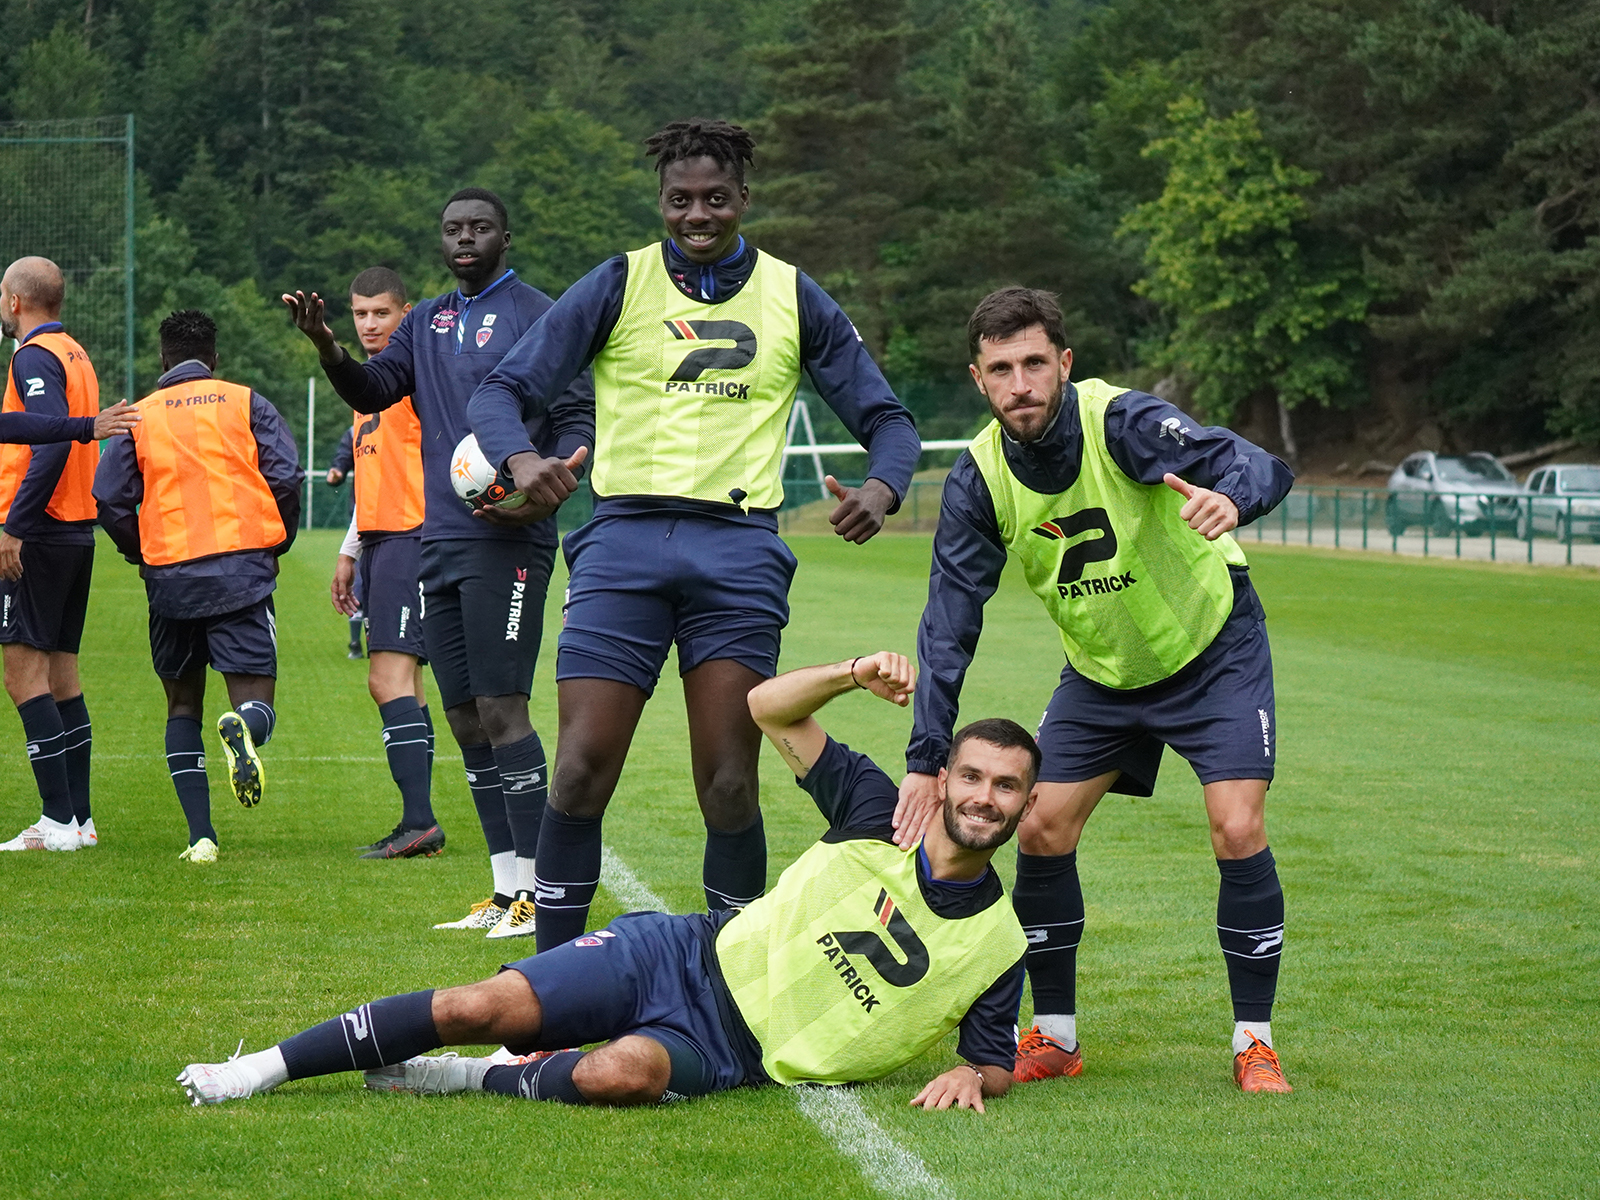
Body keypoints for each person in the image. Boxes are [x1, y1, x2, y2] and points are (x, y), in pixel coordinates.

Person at [177, 651, 1036, 1113]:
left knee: (614, 1075)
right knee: (479, 1008)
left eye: (1005, 787)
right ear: (946, 778)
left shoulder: (997, 945)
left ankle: (472, 1079)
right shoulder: (881, 810)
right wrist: (854, 673)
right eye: (972, 778)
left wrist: (976, 1077)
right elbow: (768, 706)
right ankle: (262, 1068)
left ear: (1026, 803)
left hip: (732, 1052)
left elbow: (991, 1061)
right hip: (682, 956)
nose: (983, 799)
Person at [467, 119, 922, 951]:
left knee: (729, 786)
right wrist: (522, 460)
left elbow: (889, 420)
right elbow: (500, 390)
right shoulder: (616, 283)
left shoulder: (792, 293)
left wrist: (884, 491)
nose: (698, 215)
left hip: (738, 552)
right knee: (576, 772)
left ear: (744, 199)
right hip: (622, 543)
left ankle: (725, 982)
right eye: (680, 200)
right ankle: (550, 988)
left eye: (716, 199)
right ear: (662, 203)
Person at [894, 287, 1296, 1093]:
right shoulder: (977, 478)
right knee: (1038, 825)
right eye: (1001, 369)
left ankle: (1254, 1042)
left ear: (1064, 364)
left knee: (1235, 825)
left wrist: (1233, 498)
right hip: (1103, 673)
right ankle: (1056, 1036)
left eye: (1035, 363)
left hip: (1212, 649)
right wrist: (925, 756)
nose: (1021, 384)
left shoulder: (1122, 423)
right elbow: (948, 625)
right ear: (979, 380)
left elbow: (1258, 463)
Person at [282, 188, 594, 939]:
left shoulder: (539, 314)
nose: (465, 239)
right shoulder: (424, 321)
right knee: (461, 715)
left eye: (479, 227)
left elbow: (578, 413)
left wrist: (553, 481)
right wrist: (329, 345)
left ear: (505, 237)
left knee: (502, 708)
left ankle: (538, 895)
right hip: (439, 537)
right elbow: (373, 388)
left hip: (510, 538)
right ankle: (503, 888)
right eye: (454, 229)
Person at [93, 310, 304, 863]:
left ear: (162, 361)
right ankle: (244, 728)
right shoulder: (244, 400)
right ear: (214, 359)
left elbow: (109, 497)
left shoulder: (138, 415)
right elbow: (283, 474)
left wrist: (140, 552)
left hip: (171, 581)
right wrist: (275, 543)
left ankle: (201, 837)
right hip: (241, 573)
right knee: (257, 704)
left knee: (181, 706)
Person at [0, 256, 139, 853]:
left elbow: (53, 441)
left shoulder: (33, 355)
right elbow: (62, 429)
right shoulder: (74, 352)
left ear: (14, 302)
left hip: (43, 531)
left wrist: (15, 525)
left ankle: (56, 821)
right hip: (75, 529)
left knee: (21, 672)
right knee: (62, 674)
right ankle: (78, 821)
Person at [326, 267, 442, 859]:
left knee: (386, 679)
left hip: (411, 540)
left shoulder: (419, 378)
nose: (370, 325)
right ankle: (418, 820)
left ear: (406, 312)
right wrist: (349, 552)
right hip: (379, 543)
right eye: (360, 315)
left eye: (381, 314)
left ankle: (419, 821)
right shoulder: (365, 391)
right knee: (408, 686)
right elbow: (373, 480)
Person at [325, 426, 364, 657]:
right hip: (363, 513)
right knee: (360, 575)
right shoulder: (353, 430)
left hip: (402, 517)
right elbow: (343, 457)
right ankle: (355, 642)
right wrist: (337, 471)